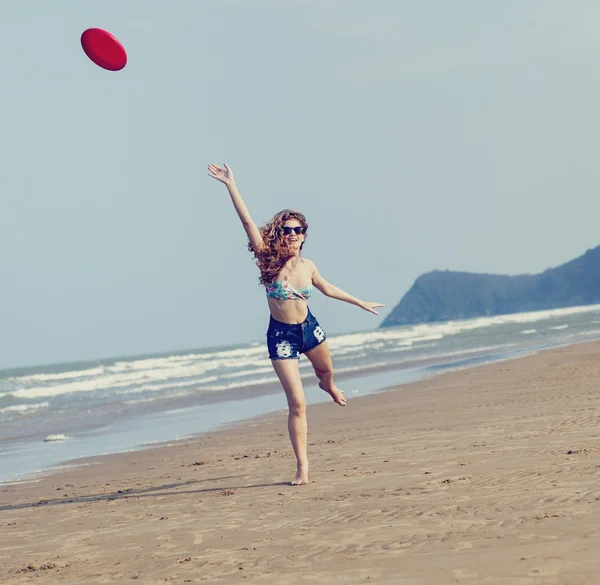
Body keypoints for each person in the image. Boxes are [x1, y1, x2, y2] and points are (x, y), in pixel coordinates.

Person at [208, 163, 384, 485]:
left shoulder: (308, 266)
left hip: (309, 329)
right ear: (279, 233)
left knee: (326, 373)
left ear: (304, 237)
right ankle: (302, 466)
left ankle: (328, 386)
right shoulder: (266, 257)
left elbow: (328, 288)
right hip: (282, 336)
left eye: (297, 231)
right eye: (286, 230)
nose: (291, 235)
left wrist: (360, 301)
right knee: (298, 403)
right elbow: (247, 220)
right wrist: (231, 185)